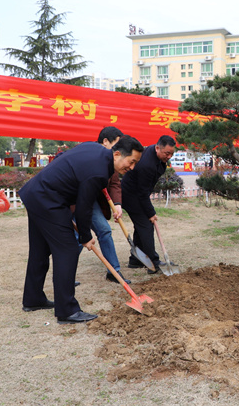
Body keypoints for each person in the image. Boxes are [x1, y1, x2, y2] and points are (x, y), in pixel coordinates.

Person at [20, 136, 143, 324]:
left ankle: (33, 298)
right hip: (49, 200)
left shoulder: (95, 150)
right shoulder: (99, 172)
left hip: (37, 194)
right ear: (117, 154)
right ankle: (67, 310)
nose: (132, 167)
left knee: (40, 250)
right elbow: (83, 206)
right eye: (131, 162)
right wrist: (86, 236)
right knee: (68, 250)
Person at [121, 135, 176, 273]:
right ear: (157, 148)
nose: (169, 156)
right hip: (131, 195)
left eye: (171, 154)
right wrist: (151, 213)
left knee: (141, 226)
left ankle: (135, 260)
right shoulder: (147, 165)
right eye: (166, 153)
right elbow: (142, 193)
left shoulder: (155, 153)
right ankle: (153, 262)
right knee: (146, 226)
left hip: (137, 193)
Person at [92, 126, 131, 284]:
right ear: (106, 141)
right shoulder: (90, 154)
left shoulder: (112, 158)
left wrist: (117, 204)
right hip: (76, 200)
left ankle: (113, 271)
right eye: (116, 144)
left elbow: (114, 183)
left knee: (104, 230)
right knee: (76, 238)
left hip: (93, 201)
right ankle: (66, 274)